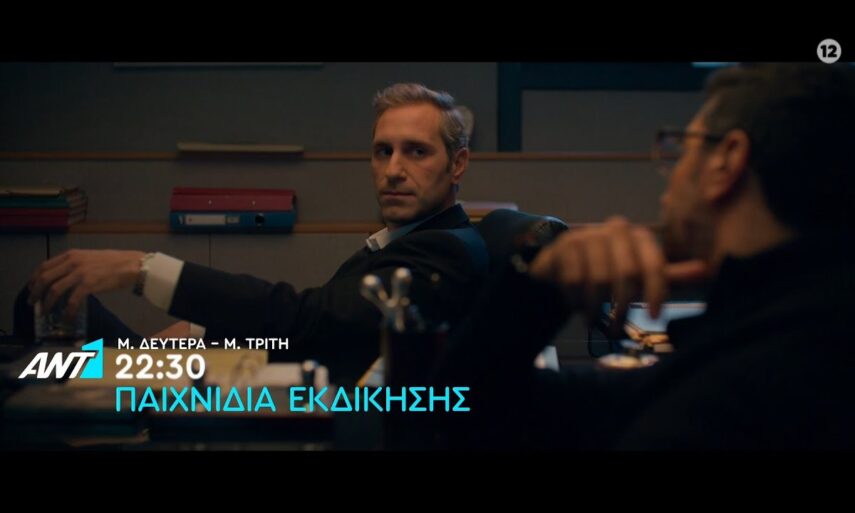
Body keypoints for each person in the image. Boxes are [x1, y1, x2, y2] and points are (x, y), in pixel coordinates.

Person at [436, 63, 855, 450]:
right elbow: (459, 406)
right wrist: (538, 286)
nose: (670, 173)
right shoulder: (787, 337)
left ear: (726, 162)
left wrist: (535, 290)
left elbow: (448, 413)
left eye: (684, 147)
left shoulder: (736, 387)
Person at [21, 83, 488, 384]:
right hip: (229, 368)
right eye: (383, 151)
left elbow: (303, 320)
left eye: (416, 152)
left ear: (458, 164)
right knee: (46, 308)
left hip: (260, 400)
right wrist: (199, 332)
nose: (393, 170)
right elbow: (313, 327)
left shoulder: (443, 253)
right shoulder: (407, 239)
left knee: (43, 319)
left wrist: (140, 269)